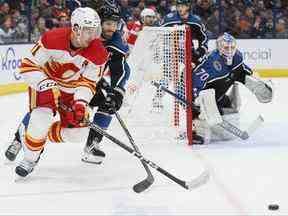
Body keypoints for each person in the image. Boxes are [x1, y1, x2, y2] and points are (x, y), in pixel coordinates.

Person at [4, 7, 109, 177]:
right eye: (89, 31)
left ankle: (36, 135)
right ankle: (31, 158)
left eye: (95, 31)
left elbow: (88, 83)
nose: (93, 36)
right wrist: (47, 84)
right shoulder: (52, 38)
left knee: (78, 132)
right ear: (76, 29)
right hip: (45, 82)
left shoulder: (98, 52)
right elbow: (28, 66)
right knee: (41, 118)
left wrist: (81, 103)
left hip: (71, 90)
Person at [192, 33, 273, 144]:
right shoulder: (210, 62)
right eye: (226, 47)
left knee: (236, 80)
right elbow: (195, 81)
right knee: (202, 110)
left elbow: (243, 70)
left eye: (232, 47)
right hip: (201, 97)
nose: (230, 50)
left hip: (218, 95)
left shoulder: (237, 58)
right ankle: (195, 128)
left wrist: (255, 79)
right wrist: (196, 100)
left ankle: (220, 106)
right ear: (219, 48)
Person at [81, 1, 131, 164]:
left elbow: (121, 69)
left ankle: (91, 146)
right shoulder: (86, 35)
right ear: (99, 23)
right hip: (68, 81)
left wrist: (117, 91)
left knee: (109, 104)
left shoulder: (115, 41)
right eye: (108, 23)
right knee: (46, 109)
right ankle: (19, 140)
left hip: (89, 83)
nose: (111, 28)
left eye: (115, 24)